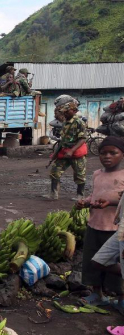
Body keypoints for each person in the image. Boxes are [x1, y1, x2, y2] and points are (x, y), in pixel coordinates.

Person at [76, 137, 124, 311]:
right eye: (103, 153)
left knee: (116, 263)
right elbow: (95, 195)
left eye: (113, 153)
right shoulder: (97, 174)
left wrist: (110, 202)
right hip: (94, 225)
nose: (107, 156)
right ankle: (97, 294)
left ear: (122, 155)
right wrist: (86, 202)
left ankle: (120, 297)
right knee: (91, 261)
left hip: (116, 229)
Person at [48, 102, 87, 200]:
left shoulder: (79, 122)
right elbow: (63, 139)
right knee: (55, 171)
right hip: (64, 151)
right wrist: (55, 154)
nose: (64, 113)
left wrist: (72, 151)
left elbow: (82, 139)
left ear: (74, 111)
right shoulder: (65, 122)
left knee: (80, 174)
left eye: (67, 111)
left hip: (76, 152)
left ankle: (80, 196)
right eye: (63, 112)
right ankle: (54, 194)